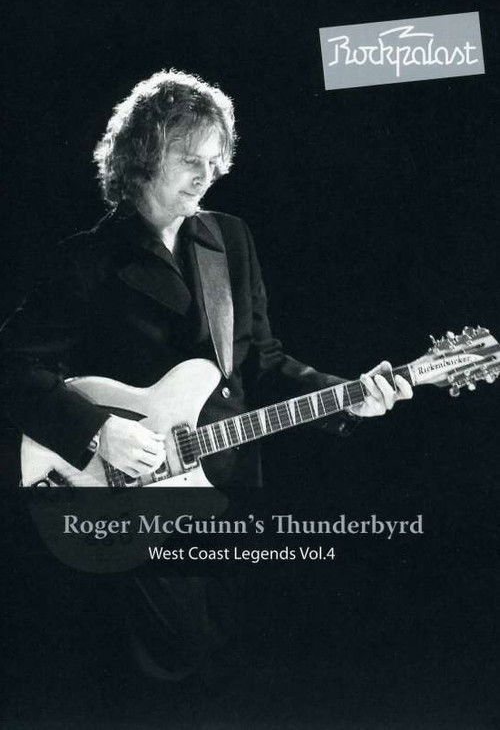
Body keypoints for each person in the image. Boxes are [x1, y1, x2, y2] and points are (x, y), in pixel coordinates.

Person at [0, 69, 412, 680]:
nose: (206, 175)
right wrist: (98, 432)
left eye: (215, 162)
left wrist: (347, 397)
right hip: (133, 500)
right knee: (167, 673)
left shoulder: (230, 240)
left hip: (230, 488)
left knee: (235, 671)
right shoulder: (86, 261)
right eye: (190, 159)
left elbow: (261, 360)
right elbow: (12, 366)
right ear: (143, 155)